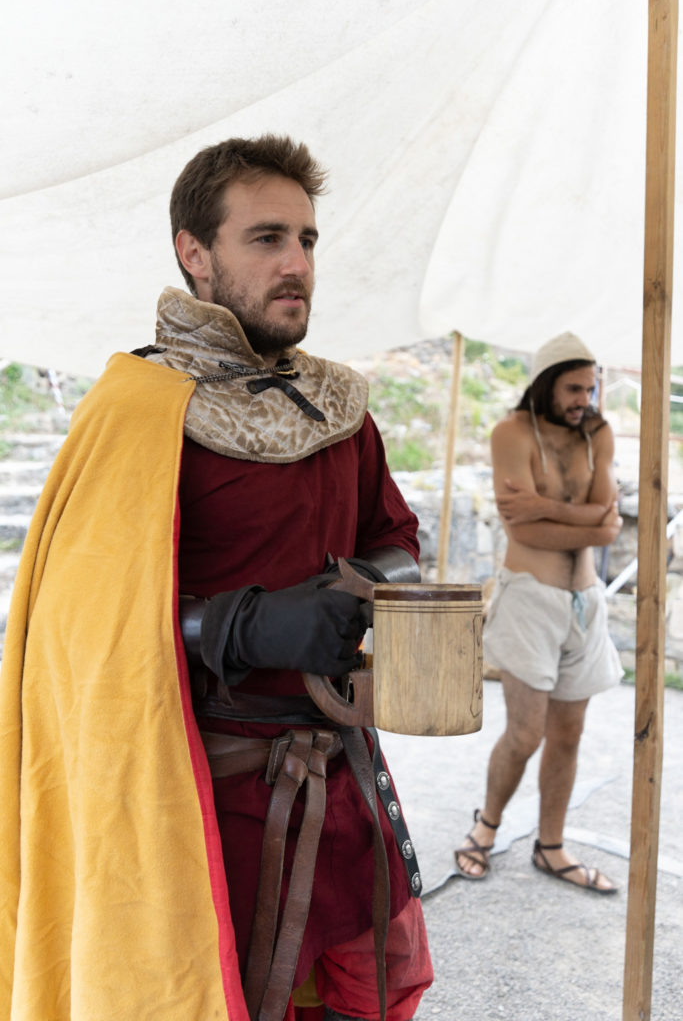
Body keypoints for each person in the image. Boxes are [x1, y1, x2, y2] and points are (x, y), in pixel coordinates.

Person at [0, 136, 432, 1021]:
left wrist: (353, 586)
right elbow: (78, 627)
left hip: (334, 783)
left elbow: (397, 538)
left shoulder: (341, 407)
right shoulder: (135, 408)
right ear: (194, 253)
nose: (296, 264)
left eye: (307, 240)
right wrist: (240, 627)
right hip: (181, 803)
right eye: (266, 238)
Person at [454, 333, 623, 894]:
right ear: (547, 382)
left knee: (569, 736)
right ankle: (485, 829)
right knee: (525, 734)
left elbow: (609, 521)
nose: (584, 398)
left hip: (586, 600)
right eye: (574, 387)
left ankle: (551, 847)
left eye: (591, 387)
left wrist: (555, 510)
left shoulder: (597, 433)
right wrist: (588, 521)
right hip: (530, 597)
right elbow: (520, 526)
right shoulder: (513, 432)